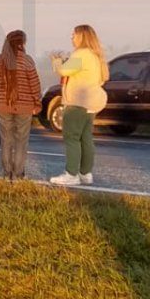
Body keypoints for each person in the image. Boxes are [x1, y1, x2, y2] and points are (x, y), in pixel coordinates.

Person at [49, 25, 109, 186]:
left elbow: (63, 71)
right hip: (92, 103)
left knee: (71, 137)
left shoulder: (81, 54)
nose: (71, 38)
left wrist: (56, 61)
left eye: (74, 35)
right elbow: (102, 79)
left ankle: (71, 174)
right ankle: (85, 173)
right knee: (86, 137)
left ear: (82, 36)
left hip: (77, 101)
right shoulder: (96, 56)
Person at [0, 30, 41, 180]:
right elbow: (34, 84)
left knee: (6, 140)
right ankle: (18, 174)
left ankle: (7, 174)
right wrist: (37, 103)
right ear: (22, 43)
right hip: (24, 106)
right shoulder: (27, 60)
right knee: (21, 141)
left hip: (2, 105)